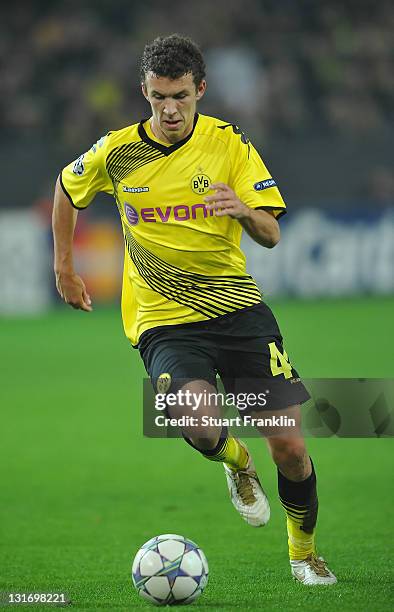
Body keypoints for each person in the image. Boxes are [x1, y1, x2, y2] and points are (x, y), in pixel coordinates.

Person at [52, 34, 336, 586]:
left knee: (292, 449)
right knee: (198, 419)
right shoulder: (117, 151)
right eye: (158, 97)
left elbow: (272, 233)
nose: (170, 108)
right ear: (144, 92)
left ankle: (304, 554)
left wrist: (245, 210)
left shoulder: (228, 145)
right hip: (164, 320)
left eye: (181, 95)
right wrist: (64, 268)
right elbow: (66, 187)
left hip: (239, 314)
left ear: (200, 89)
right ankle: (236, 462)